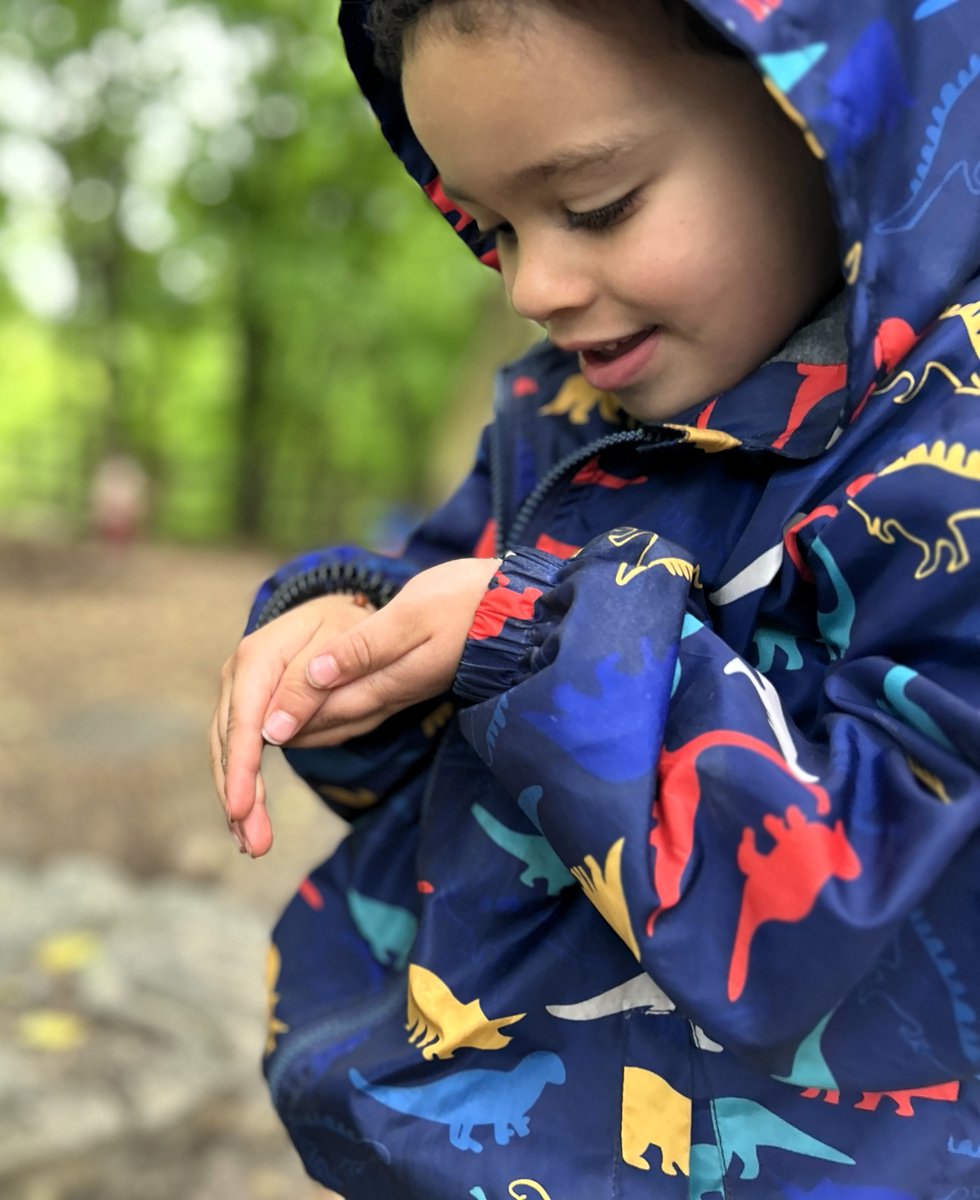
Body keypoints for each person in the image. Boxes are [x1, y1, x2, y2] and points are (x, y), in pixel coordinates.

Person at [210, 0, 980, 1195]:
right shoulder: (564, 414)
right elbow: (441, 642)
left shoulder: (950, 452)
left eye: (596, 205)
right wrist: (348, 634)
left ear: (823, 115)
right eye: (491, 225)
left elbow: (853, 874)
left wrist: (523, 633)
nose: (533, 284)